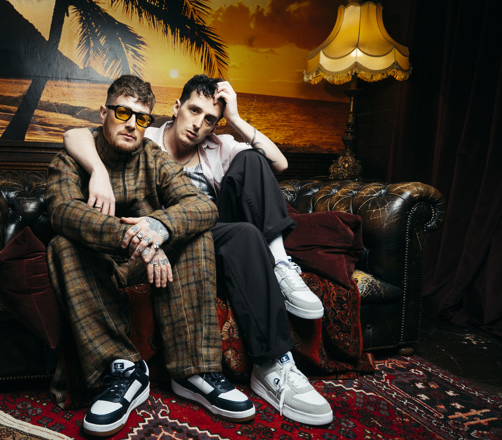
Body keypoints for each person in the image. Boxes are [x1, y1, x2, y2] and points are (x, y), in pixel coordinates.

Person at [62, 74, 333, 426]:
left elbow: (278, 164)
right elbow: (78, 134)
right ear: (176, 107)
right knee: (241, 233)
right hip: (167, 239)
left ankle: (278, 285)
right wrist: (98, 171)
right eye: (193, 111)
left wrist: (235, 120)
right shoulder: (143, 135)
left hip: (209, 229)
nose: (198, 124)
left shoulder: (217, 146)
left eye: (209, 120)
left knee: (252, 169)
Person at [46, 75, 255, 437]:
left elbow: (202, 205)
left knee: (196, 233)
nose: (131, 124)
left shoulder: (153, 157)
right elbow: (62, 211)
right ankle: (124, 370)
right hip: (97, 265)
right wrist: (132, 238)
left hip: (143, 266)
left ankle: (195, 373)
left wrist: (158, 228)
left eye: (141, 118)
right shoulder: (71, 159)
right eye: (123, 113)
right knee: (61, 244)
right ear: (104, 112)